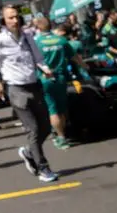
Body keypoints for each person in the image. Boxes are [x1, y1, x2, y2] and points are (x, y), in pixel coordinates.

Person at [0, 5, 58, 182]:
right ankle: (43, 168)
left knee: (46, 126)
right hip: (16, 89)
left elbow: (38, 58)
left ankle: (29, 151)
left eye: (16, 17)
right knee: (34, 129)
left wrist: (46, 69)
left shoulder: (28, 37)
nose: (15, 21)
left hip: (34, 85)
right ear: (4, 21)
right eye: (10, 18)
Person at [33, 16, 85, 150]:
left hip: (45, 78)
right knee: (61, 108)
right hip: (61, 78)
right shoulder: (61, 40)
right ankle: (62, 135)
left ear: (38, 28)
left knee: (52, 109)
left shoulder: (36, 42)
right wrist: (85, 66)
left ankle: (60, 137)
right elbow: (74, 56)